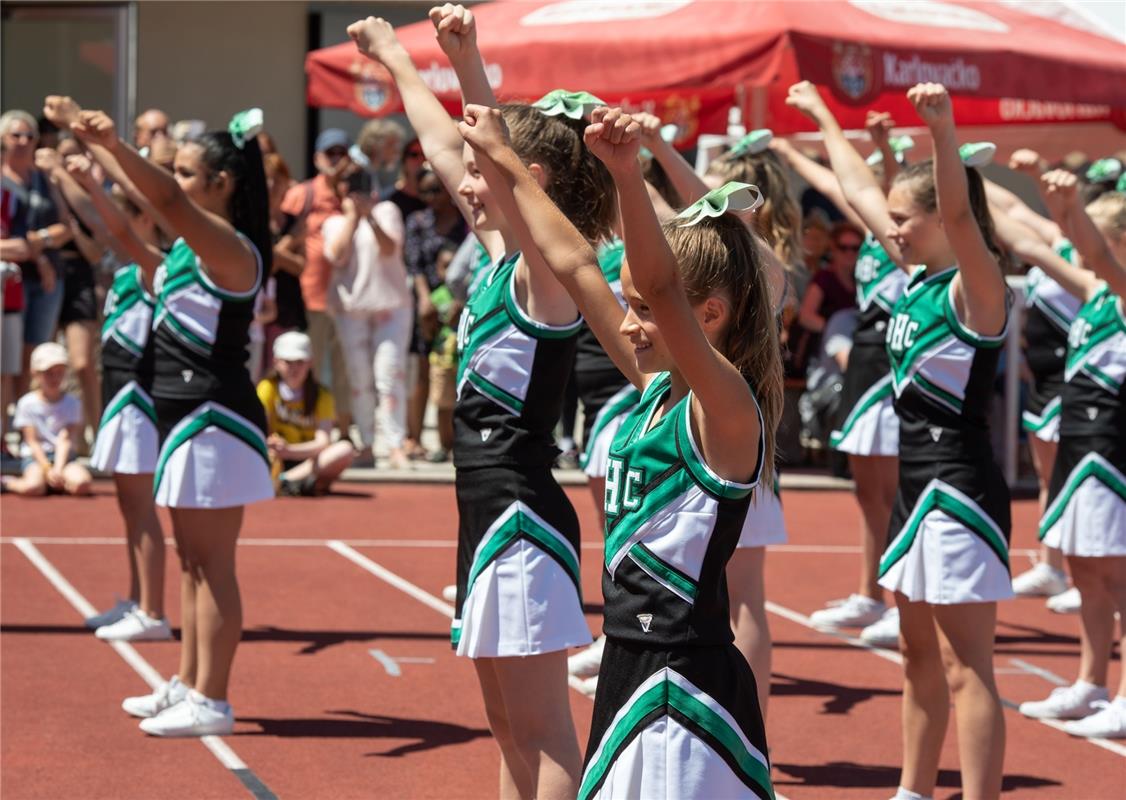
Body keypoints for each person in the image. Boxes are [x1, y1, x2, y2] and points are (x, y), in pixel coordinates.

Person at [460, 100, 781, 799]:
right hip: (628, 663)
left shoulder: (725, 411)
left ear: (709, 316)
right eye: (628, 307)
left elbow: (662, 285)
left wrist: (629, 177)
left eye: (641, 310)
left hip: (681, 680)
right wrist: (504, 156)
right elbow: (574, 259)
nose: (630, 323)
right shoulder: (653, 387)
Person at [348, 8, 615, 797]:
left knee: (541, 729)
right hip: (485, 512)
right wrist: (401, 56)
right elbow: (442, 142)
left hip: (522, 517)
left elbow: (483, 150)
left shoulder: (545, 274)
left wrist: (472, 67)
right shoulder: (501, 259)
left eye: (482, 168)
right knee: (506, 728)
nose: (461, 182)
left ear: (525, 180)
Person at [62, 103, 274, 737]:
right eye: (174, 171)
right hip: (185, 420)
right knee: (191, 563)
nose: (175, 182)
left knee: (214, 565)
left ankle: (214, 700)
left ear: (221, 184)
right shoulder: (186, 250)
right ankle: (188, 681)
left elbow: (166, 206)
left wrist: (107, 142)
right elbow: (129, 234)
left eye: (186, 171)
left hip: (216, 422)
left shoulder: (230, 248)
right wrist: (96, 163)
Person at [877, 84, 1013, 800]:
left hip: (958, 490)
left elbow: (960, 209)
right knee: (914, 656)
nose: (891, 228)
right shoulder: (917, 284)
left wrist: (943, 130)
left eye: (903, 218)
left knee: (968, 667)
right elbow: (855, 193)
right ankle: (913, 789)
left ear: (939, 219)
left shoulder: (975, 287)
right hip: (913, 488)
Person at [776, 88, 911, 649]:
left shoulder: (902, 238)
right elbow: (838, 185)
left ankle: (904, 601)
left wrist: (879, 150)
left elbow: (854, 182)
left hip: (896, 365)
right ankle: (870, 592)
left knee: (898, 490)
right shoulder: (868, 235)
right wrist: (788, 154)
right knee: (866, 491)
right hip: (866, 360)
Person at [1016, 176, 1126, 739]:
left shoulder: (1124, 289)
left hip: (1113, 448)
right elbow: (1029, 241)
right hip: (1079, 445)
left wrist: (1072, 208)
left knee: (1119, 574)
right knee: (1085, 569)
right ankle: (1091, 682)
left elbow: (1099, 252)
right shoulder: (1094, 289)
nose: (1080, 250)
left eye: (1093, 242)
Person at [66, 152, 170, 642]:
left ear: (147, 218)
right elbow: (104, 226)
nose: (115, 225)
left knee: (141, 506)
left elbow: (114, 227)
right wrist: (76, 183)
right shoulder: (129, 269)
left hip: (140, 399)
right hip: (120, 395)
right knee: (129, 507)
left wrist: (92, 181)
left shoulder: (157, 269)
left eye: (126, 212)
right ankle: (135, 599)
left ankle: (152, 611)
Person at [323, 173, 411, 468]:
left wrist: (370, 217)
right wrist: (352, 218)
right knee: (360, 379)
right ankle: (369, 443)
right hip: (352, 309)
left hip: (391, 306)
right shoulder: (333, 223)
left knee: (389, 374)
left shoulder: (387, 212)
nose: (358, 195)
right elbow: (337, 256)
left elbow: (390, 248)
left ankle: (396, 445)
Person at [281, 128, 354, 437]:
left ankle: (344, 430)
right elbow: (282, 236)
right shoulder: (303, 193)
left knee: (345, 371)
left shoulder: (355, 194)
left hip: (352, 300)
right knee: (310, 367)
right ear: (317, 158)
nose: (336, 160)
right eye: (330, 153)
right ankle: (309, 429)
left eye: (341, 153)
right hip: (313, 296)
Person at [0, 109, 72, 396]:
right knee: (8, 358)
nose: (23, 141)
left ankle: (25, 421)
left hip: (46, 278)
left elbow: (65, 227)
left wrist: (37, 243)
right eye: (15, 134)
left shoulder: (43, 179)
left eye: (30, 135)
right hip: (10, 279)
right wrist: (36, 253)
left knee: (37, 352)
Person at [403, 167, 468, 461]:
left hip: (458, 306)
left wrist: (457, 303)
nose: (430, 197)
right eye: (425, 191)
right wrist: (424, 301)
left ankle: (453, 440)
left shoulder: (465, 222)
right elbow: (415, 266)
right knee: (422, 372)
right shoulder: (417, 221)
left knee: (453, 372)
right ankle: (414, 438)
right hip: (427, 306)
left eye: (435, 190)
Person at [258, 331, 355, 495]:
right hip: (275, 458)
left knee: (345, 449)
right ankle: (303, 484)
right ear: (276, 362)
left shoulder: (322, 395)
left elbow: (323, 442)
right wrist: (274, 445)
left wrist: (290, 450)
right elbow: (261, 429)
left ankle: (285, 481)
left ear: (310, 363)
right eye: (288, 362)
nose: (294, 369)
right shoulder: (267, 388)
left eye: (300, 362)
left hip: (309, 461)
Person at [2, 341, 92, 496]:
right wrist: (46, 468)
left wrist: (57, 469)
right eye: (48, 373)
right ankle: (7, 482)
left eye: (59, 372)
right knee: (33, 488)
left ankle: (54, 482)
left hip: (64, 459)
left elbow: (66, 439)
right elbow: (32, 441)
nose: (54, 378)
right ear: (35, 373)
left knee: (82, 484)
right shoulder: (27, 403)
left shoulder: (73, 403)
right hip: (35, 458)